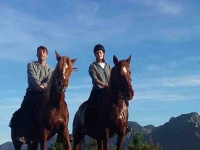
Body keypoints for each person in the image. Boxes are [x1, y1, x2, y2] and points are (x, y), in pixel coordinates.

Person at [85, 44, 132, 133]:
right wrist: (104, 85)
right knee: (91, 102)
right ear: (95, 54)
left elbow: (115, 78)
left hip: (109, 90)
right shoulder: (93, 66)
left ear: (103, 54)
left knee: (124, 101)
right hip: (98, 89)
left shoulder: (109, 67)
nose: (99, 54)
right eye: (97, 53)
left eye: (100, 52)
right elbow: (95, 79)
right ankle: (87, 123)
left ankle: (125, 124)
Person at [18, 46, 53, 142]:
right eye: (39, 51)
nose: (42, 53)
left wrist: (44, 86)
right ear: (36, 54)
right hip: (32, 92)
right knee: (24, 107)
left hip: (45, 93)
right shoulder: (31, 65)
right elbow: (32, 76)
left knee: (57, 106)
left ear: (47, 55)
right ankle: (23, 133)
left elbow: (50, 80)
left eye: (44, 52)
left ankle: (60, 132)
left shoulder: (51, 70)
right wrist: (39, 85)